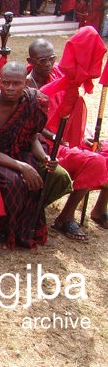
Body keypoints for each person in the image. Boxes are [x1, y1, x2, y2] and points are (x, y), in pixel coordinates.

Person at [0, 61, 71, 249]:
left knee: (52, 175)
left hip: (22, 152)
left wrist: (44, 158)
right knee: (14, 182)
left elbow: (33, 138)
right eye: (6, 83)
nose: (10, 88)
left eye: (16, 83)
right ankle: (2, 230)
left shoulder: (32, 102)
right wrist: (22, 167)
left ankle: (25, 227)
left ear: (25, 83)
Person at [26, 38, 108, 234]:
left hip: (66, 138)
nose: (48, 64)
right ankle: (66, 217)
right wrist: (57, 138)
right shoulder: (28, 84)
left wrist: (83, 133)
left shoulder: (58, 76)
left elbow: (67, 111)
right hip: (45, 143)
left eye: (51, 59)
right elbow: (33, 128)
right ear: (31, 60)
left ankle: (98, 210)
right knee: (93, 161)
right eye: (42, 61)